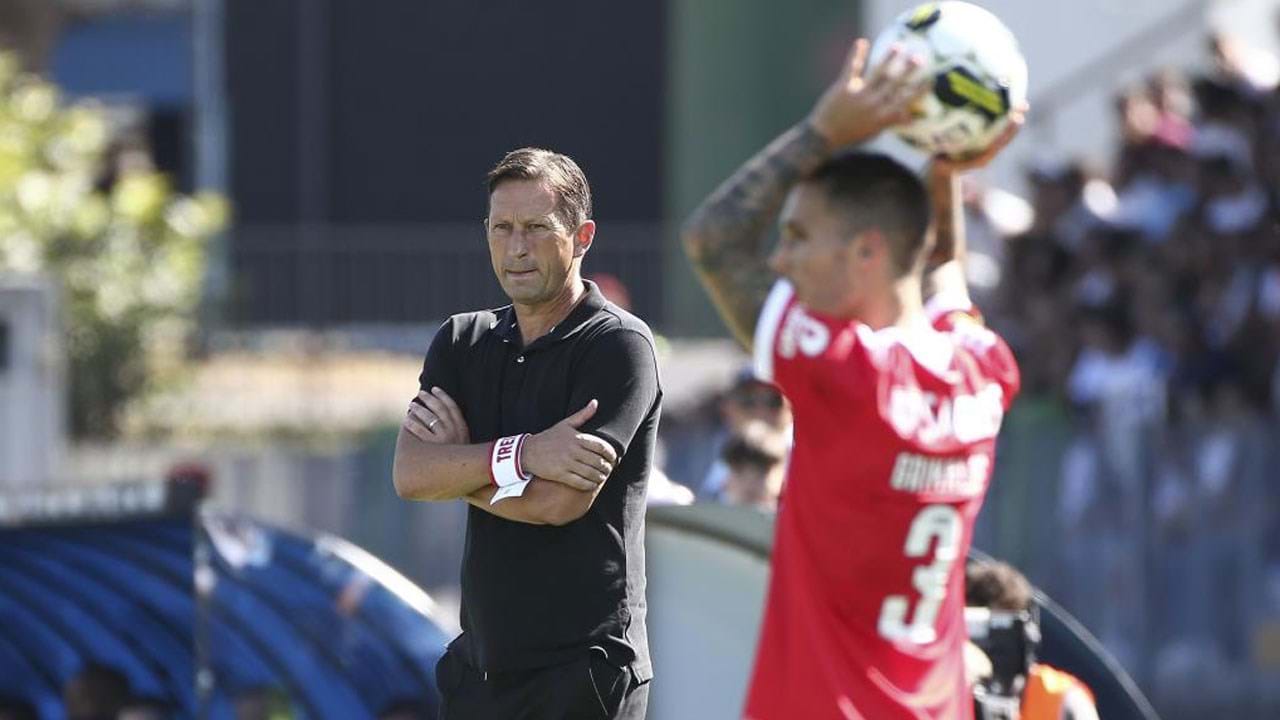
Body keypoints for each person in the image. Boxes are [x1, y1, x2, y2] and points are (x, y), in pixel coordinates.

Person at [682, 37, 1024, 719]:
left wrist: (824, 132)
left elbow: (714, 239)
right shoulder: (983, 371)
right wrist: (944, 163)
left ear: (866, 251)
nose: (781, 260)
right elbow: (939, 263)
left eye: (800, 236)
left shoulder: (845, 375)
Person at [393, 147, 660, 719]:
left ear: (582, 236)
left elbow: (558, 503)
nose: (516, 247)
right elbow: (412, 475)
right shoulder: (461, 341)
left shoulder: (618, 345)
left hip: (584, 673)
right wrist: (528, 453)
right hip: (480, 672)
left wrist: (460, 471)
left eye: (537, 228)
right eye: (502, 228)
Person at [965, 560, 1099, 720]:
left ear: (1027, 638)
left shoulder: (1059, 699)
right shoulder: (939, 695)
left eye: (1003, 637)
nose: (992, 654)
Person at [719, 419, 788, 511]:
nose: (750, 481)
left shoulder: (791, 522)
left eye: (762, 471)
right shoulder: (708, 521)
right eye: (739, 470)